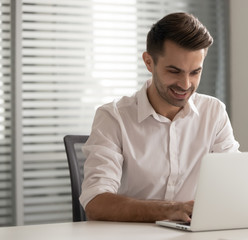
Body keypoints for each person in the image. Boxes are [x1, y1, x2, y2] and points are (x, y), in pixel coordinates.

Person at [79, 12, 239, 223]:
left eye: (195, 72)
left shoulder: (214, 112)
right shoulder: (113, 117)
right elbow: (96, 203)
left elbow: (235, 182)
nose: (185, 84)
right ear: (148, 62)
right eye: (174, 71)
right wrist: (167, 210)